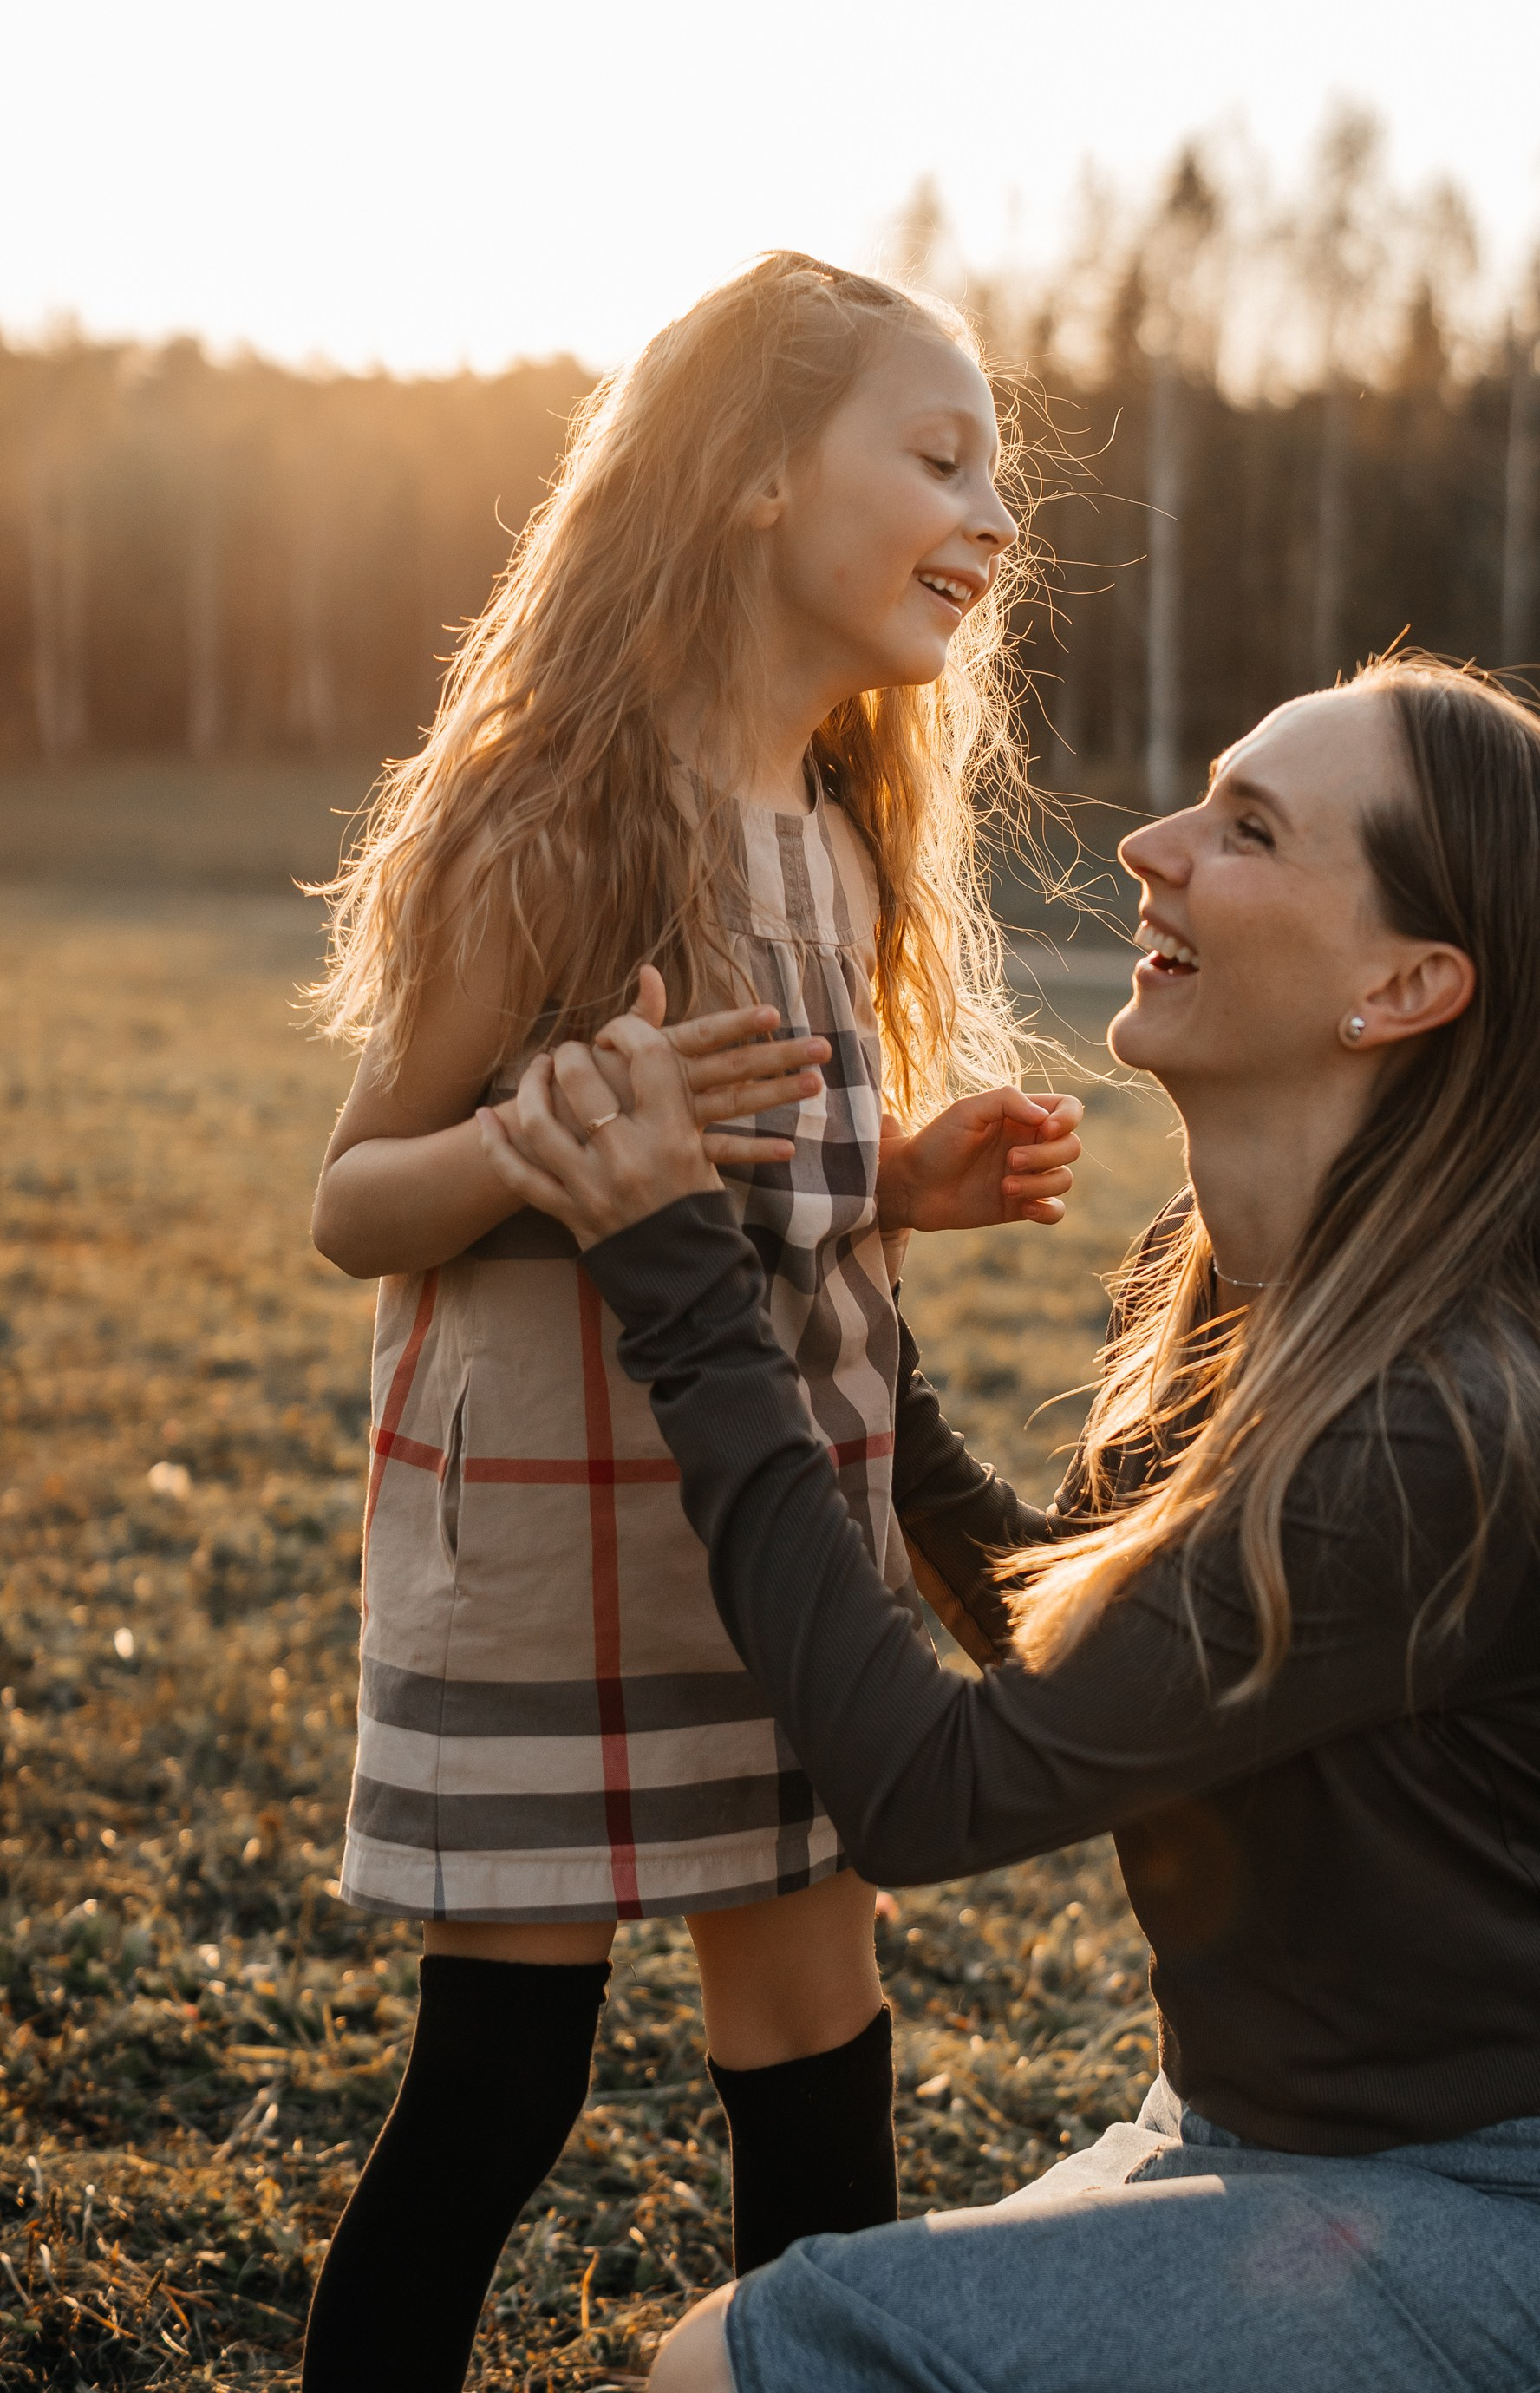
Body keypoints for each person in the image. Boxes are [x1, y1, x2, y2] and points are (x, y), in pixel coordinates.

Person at [476, 653, 1540, 2393]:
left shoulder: (1438, 1424)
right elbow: (1071, 1649)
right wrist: (849, 1311)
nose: (1149, 845)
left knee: (741, 2369)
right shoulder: (1219, 1282)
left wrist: (688, 1290)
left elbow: (935, 1791)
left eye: (1246, 829)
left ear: (1403, 985)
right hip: (1261, 2148)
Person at [299, 252, 1083, 2392]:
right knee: (502, 2093)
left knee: (819, 2057)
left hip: (779, 1565)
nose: (994, 517)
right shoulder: (549, 818)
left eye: (997, 473)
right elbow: (354, 1198)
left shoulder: (838, 842)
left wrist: (898, 1185)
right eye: (941, 456)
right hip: (554, 1574)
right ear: (747, 477)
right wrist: (532, 1150)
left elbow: (776, 1217)